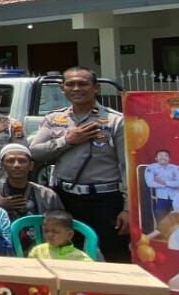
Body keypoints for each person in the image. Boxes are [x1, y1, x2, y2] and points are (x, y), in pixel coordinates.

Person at [28, 66, 129, 262]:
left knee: (115, 253)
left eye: (83, 84)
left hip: (104, 200)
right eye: (70, 84)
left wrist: (128, 208)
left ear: (96, 87)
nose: (76, 89)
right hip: (64, 199)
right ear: (62, 89)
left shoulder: (115, 121)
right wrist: (67, 140)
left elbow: (127, 167)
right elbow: (35, 151)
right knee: (66, 252)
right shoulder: (54, 119)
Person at [0, 143, 61, 222]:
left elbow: (60, 225)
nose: (17, 165)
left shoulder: (47, 195)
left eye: (22, 161)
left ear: (31, 165)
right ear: (2, 165)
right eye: (10, 161)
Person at [27, 210, 94, 262]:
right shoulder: (37, 251)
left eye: (55, 231)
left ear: (69, 234)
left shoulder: (81, 258)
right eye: (46, 231)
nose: (49, 235)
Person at [143, 149, 179, 218]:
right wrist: (170, 183)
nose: (163, 157)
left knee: (177, 218)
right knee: (160, 217)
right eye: (160, 155)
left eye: (166, 156)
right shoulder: (151, 168)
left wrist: (164, 182)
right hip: (161, 198)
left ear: (169, 159)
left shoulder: (176, 168)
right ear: (156, 158)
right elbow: (150, 183)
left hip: (176, 197)